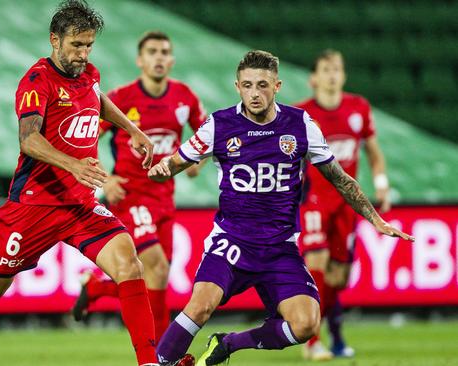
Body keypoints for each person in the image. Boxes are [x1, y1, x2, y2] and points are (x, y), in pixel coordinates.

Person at [0, 1, 160, 365]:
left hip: (79, 205)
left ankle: (149, 362)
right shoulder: (37, 82)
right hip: (35, 206)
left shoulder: (88, 72)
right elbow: (28, 139)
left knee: (130, 265)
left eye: (89, 45)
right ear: (54, 40)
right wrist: (73, 165)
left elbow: (96, 97)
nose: (83, 53)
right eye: (76, 45)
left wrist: (132, 128)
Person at [147, 50, 413, 366]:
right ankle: (159, 364)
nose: (254, 93)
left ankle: (229, 344)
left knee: (306, 324)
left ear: (277, 86)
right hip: (232, 242)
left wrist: (376, 219)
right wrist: (162, 168)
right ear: (237, 86)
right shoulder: (219, 125)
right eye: (247, 85)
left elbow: (340, 179)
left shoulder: (300, 124)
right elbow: (177, 161)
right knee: (201, 306)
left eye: (262, 85)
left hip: (279, 249)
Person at [71, 30, 207, 343]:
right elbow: (84, 139)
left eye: (164, 52)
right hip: (130, 198)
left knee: (153, 280)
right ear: (140, 60)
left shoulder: (184, 97)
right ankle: (161, 353)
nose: (159, 58)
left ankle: (97, 287)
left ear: (171, 60)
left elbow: (205, 135)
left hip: (165, 200)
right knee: (156, 268)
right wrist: (107, 179)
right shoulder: (121, 99)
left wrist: (195, 161)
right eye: (152, 52)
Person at [297, 49, 391, 360]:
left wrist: (381, 186)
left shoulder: (358, 108)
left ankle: (335, 334)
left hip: (346, 203)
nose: (332, 74)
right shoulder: (302, 115)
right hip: (313, 200)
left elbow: (374, 153)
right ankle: (312, 341)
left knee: (339, 277)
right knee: (318, 263)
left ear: (344, 75)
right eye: (325, 69)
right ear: (314, 79)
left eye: (337, 68)